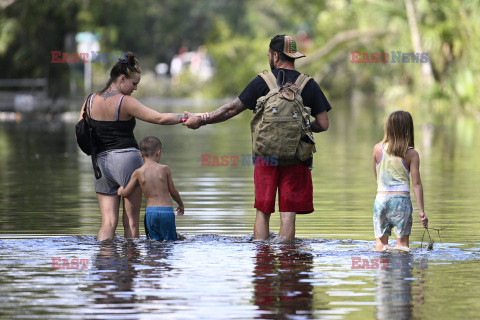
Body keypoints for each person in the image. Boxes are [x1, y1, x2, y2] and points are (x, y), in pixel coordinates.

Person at [183, 35, 331, 241]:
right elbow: (323, 124)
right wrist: (302, 128)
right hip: (296, 157)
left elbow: (230, 109)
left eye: (269, 54)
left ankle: (263, 259)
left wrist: (202, 119)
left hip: (265, 157)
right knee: (288, 214)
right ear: (293, 56)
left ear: (275, 55)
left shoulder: (262, 82)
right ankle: (287, 259)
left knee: (263, 210)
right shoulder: (309, 84)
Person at [78, 52, 185, 241]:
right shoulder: (124, 101)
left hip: (100, 164)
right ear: (121, 78)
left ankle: (105, 268)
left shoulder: (89, 101)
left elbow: (80, 131)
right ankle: (131, 268)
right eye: (134, 83)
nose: (135, 88)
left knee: (108, 223)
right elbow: (159, 118)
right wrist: (185, 118)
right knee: (131, 223)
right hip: (127, 160)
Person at [372, 110, 428, 251]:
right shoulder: (411, 154)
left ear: (388, 128)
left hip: (381, 199)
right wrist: (422, 212)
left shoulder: (377, 149)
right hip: (401, 201)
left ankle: (381, 271)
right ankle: (402, 272)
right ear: (408, 129)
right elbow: (416, 184)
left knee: (380, 245)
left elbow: (377, 178)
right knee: (402, 247)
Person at [117, 136, 184, 241]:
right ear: (159, 152)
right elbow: (173, 192)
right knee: (170, 242)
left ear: (140, 154)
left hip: (151, 213)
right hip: (166, 212)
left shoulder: (138, 172)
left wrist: (120, 190)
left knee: (153, 243)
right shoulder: (165, 169)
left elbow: (126, 193)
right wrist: (180, 204)